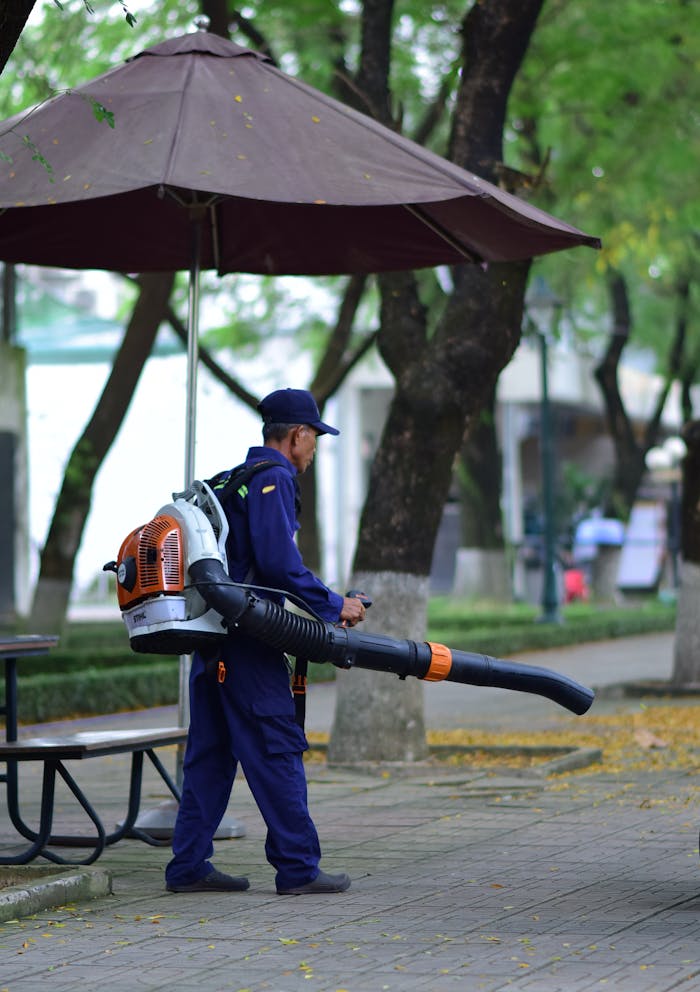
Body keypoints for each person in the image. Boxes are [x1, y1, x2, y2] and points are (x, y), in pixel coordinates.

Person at [165, 388, 366, 896]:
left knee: (209, 755)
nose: (315, 448)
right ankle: (298, 868)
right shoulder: (274, 477)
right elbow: (278, 564)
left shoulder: (233, 479)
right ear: (297, 435)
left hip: (212, 638)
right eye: (315, 437)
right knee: (276, 746)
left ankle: (188, 866)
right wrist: (333, 604)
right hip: (248, 643)